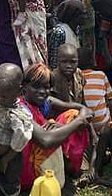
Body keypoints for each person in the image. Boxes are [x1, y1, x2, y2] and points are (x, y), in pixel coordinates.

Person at [18, 63, 93, 191]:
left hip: (41, 150)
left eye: (46, 87)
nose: (42, 91)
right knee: (71, 122)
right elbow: (45, 141)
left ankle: (70, 166)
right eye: (36, 86)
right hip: (24, 164)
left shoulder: (46, 101)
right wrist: (77, 123)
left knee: (72, 115)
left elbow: (85, 110)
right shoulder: (21, 108)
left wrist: (71, 122)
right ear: (24, 87)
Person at [0, 63, 33, 196]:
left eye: (4, 97)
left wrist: (6, 159)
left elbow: (22, 139)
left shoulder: (17, 117)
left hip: (10, 157)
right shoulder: (3, 103)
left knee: (10, 185)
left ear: (19, 92)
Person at [48, 0, 91, 69]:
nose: (86, 17)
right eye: (83, 14)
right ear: (73, 15)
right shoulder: (60, 32)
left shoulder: (77, 31)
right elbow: (54, 62)